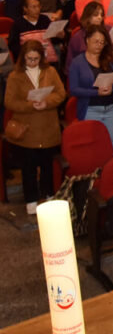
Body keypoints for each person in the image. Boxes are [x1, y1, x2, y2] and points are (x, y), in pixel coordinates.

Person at [4, 40, 66, 215]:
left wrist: (46, 102)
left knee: (47, 165)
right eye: (29, 59)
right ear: (23, 58)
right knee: (28, 167)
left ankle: (48, 194)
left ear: (41, 58)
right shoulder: (15, 76)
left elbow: (61, 93)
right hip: (27, 129)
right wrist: (29, 105)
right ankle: (31, 199)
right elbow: (9, 102)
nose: (32, 62)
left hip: (48, 127)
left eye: (36, 59)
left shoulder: (50, 71)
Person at [68, 24, 113, 151]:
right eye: (96, 42)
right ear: (87, 40)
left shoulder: (112, 57)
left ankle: (110, 164)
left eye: (102, 42)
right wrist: (96, 93)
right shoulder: (77, 62)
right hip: (90, 109)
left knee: (111, 144)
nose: (99, 46)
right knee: (91, 145)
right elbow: (73, 89)